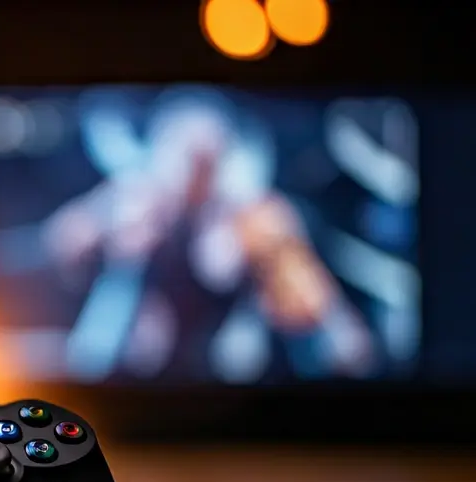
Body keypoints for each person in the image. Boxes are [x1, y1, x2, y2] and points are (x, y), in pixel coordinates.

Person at [39, 90, 375, 383]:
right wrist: (109, 233)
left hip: (231, 370)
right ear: (162, 148)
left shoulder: (256, 214)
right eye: (184, 148)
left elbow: (329, 319)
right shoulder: (137, 197)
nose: (193, 168)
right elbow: (63, 243)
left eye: (206, 154)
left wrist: (337, 332)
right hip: (137, 367)